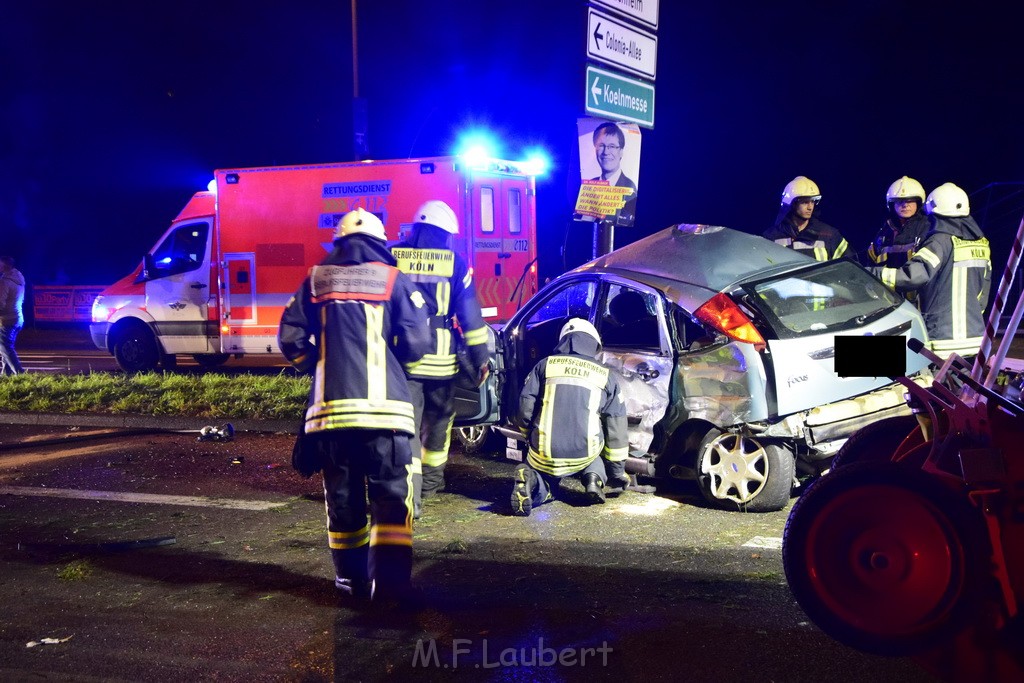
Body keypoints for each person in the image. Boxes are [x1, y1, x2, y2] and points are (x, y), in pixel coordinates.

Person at [278, 207, 432, 604]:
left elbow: (291, 339)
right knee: (392, 500)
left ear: (339, 242)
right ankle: (392, 586)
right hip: (387, 417)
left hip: (332, 417)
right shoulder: (394, 279)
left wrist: (319, 364)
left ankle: (351, 581)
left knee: (343, 501)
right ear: (381, 243)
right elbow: (416, 346)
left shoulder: (316, 279)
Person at [390, 200, 490, 516]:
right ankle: (432, 483)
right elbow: (471, 320)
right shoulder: (455, 263)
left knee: (406, 425)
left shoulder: (394, 256)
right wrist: (480, 359)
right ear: (446, 233)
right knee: (439, 422)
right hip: (442, 360)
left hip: (403, 357)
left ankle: (408, 490)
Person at [511, 318, 630, 516]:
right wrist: (617, 473)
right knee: (597, 453)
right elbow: (616, 427)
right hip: (585, 452)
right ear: (593, 345)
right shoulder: (606, 375)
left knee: (547, 480)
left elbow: (525, 406)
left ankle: (532, 481)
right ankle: (594, 480)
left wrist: (527, 434)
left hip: (544, 451)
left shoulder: (544, 365)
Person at [869, 182, 991, 360]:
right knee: (964, 388)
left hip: (942, 341)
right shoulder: (982, 243)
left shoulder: (939, 241)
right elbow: (983, 294)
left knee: (925, 385)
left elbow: (912, 276)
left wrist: (872, 274)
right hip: (975, 339)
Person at [762, 176, 850, 261]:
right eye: (805, 202)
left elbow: (850, 267)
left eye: (812, 202)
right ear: (792, 204)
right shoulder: (771, 237)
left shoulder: (829, 235)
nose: (810, 207)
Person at [865, 176, 931, 270]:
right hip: (885, 283)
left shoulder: (927, 228)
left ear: (919, 203)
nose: (905, 205)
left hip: (916, 283)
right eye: (899, 201)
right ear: (892, 205)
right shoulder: (884, 231)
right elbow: (871, 263)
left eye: (910, 200)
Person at [590, 122, 637, 226]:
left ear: (621, 152)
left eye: (612, 146)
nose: (606, 152)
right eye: (601, 145)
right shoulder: (588, 185)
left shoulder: (630, 189)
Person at [0, 256, 26, 376]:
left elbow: (0, 303)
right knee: (6, 347)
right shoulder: (19, 278)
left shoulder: (4, 282)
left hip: (7, 319)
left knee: (4, 346)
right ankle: (7, 374)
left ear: (4, 266)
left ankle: (20, 373)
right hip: (18, 317)